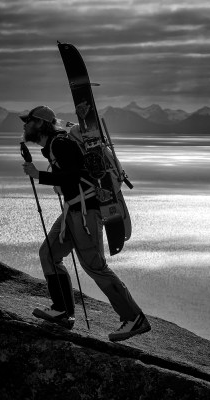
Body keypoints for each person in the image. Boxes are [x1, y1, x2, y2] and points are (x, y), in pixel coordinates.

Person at [20, 105, 150, 342]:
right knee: (49, 253)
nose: (24, 125)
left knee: (94, 265)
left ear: (39, 123)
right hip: (74, 210)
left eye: (28, 121)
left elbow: (78, 174)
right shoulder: (53, 146)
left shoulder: (60, 144)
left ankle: (134, 318)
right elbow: (73, 175)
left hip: (85, 212)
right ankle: (61, 310)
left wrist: (40, 175)